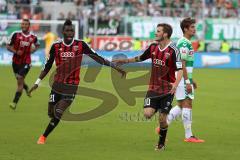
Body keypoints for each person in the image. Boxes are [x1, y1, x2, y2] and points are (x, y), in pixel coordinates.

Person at [28, 19, 125, 145]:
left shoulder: (81, 45)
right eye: (67, 30)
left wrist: (114, 66)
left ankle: (43, 137)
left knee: (58, 113)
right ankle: (52, 121)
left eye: (72, 30)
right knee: (51, 112)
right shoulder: (56, 46)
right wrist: (37, 82)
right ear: (63, 31)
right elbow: (47, 66)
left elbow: (98, 58)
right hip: (57, 85)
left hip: (72, 86)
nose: (70, 32)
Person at [113, 23, 183, 151]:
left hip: (167, 90)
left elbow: (180, 69)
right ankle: (161, 109)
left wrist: (175, 84)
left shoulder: (173, 50)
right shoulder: (153, 47)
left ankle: (161, 144)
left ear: (165, 34)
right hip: (153, 88)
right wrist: (125, 61)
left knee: (162, 120)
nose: (155, 33)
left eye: (158, 31)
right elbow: (140, 58)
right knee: (147, 114)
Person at [166, 17, 205, 143]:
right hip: (181, 78)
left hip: (182, 77)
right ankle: (189, 136)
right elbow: (181, 63)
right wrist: (187, 82)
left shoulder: (186, 42)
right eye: (192, 27)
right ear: (185, 29)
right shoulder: (184, 43)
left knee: (181, 104)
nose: (194, 29)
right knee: (187, 104)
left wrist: (191, 80)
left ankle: (163, 125)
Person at [6, 18, 40, 110]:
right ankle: (27, 89)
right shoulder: (15, 35)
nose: (24, 26)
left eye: (26, 24)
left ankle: (14, 102)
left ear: (29, 26)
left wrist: (33, 50)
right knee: (19, 80)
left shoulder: (33, 37)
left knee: (20, 79)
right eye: (22, 24)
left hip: (26, 62)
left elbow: (38, 44)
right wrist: (16, 51)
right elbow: (8, 46)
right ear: (21, 25)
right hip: (15, 62)